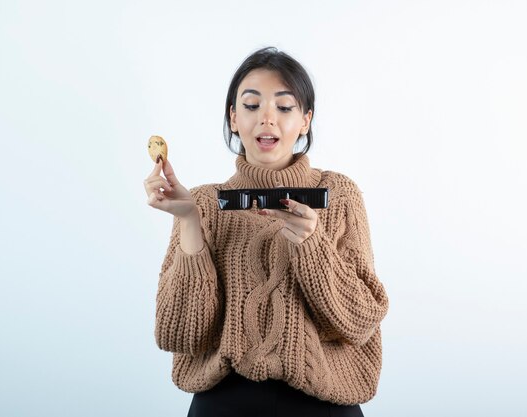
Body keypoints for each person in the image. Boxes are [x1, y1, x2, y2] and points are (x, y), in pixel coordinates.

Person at [143, 46, 389, 417]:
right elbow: (180, 334)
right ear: (233, 118)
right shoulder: (203, 203)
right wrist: (190, 221)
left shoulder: (338, 195)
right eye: (252, 105)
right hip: (223, 403)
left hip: (324, 402)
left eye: (285, 107)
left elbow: (360, 321)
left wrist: (312, 245)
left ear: (305, 120)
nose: (267, 119)